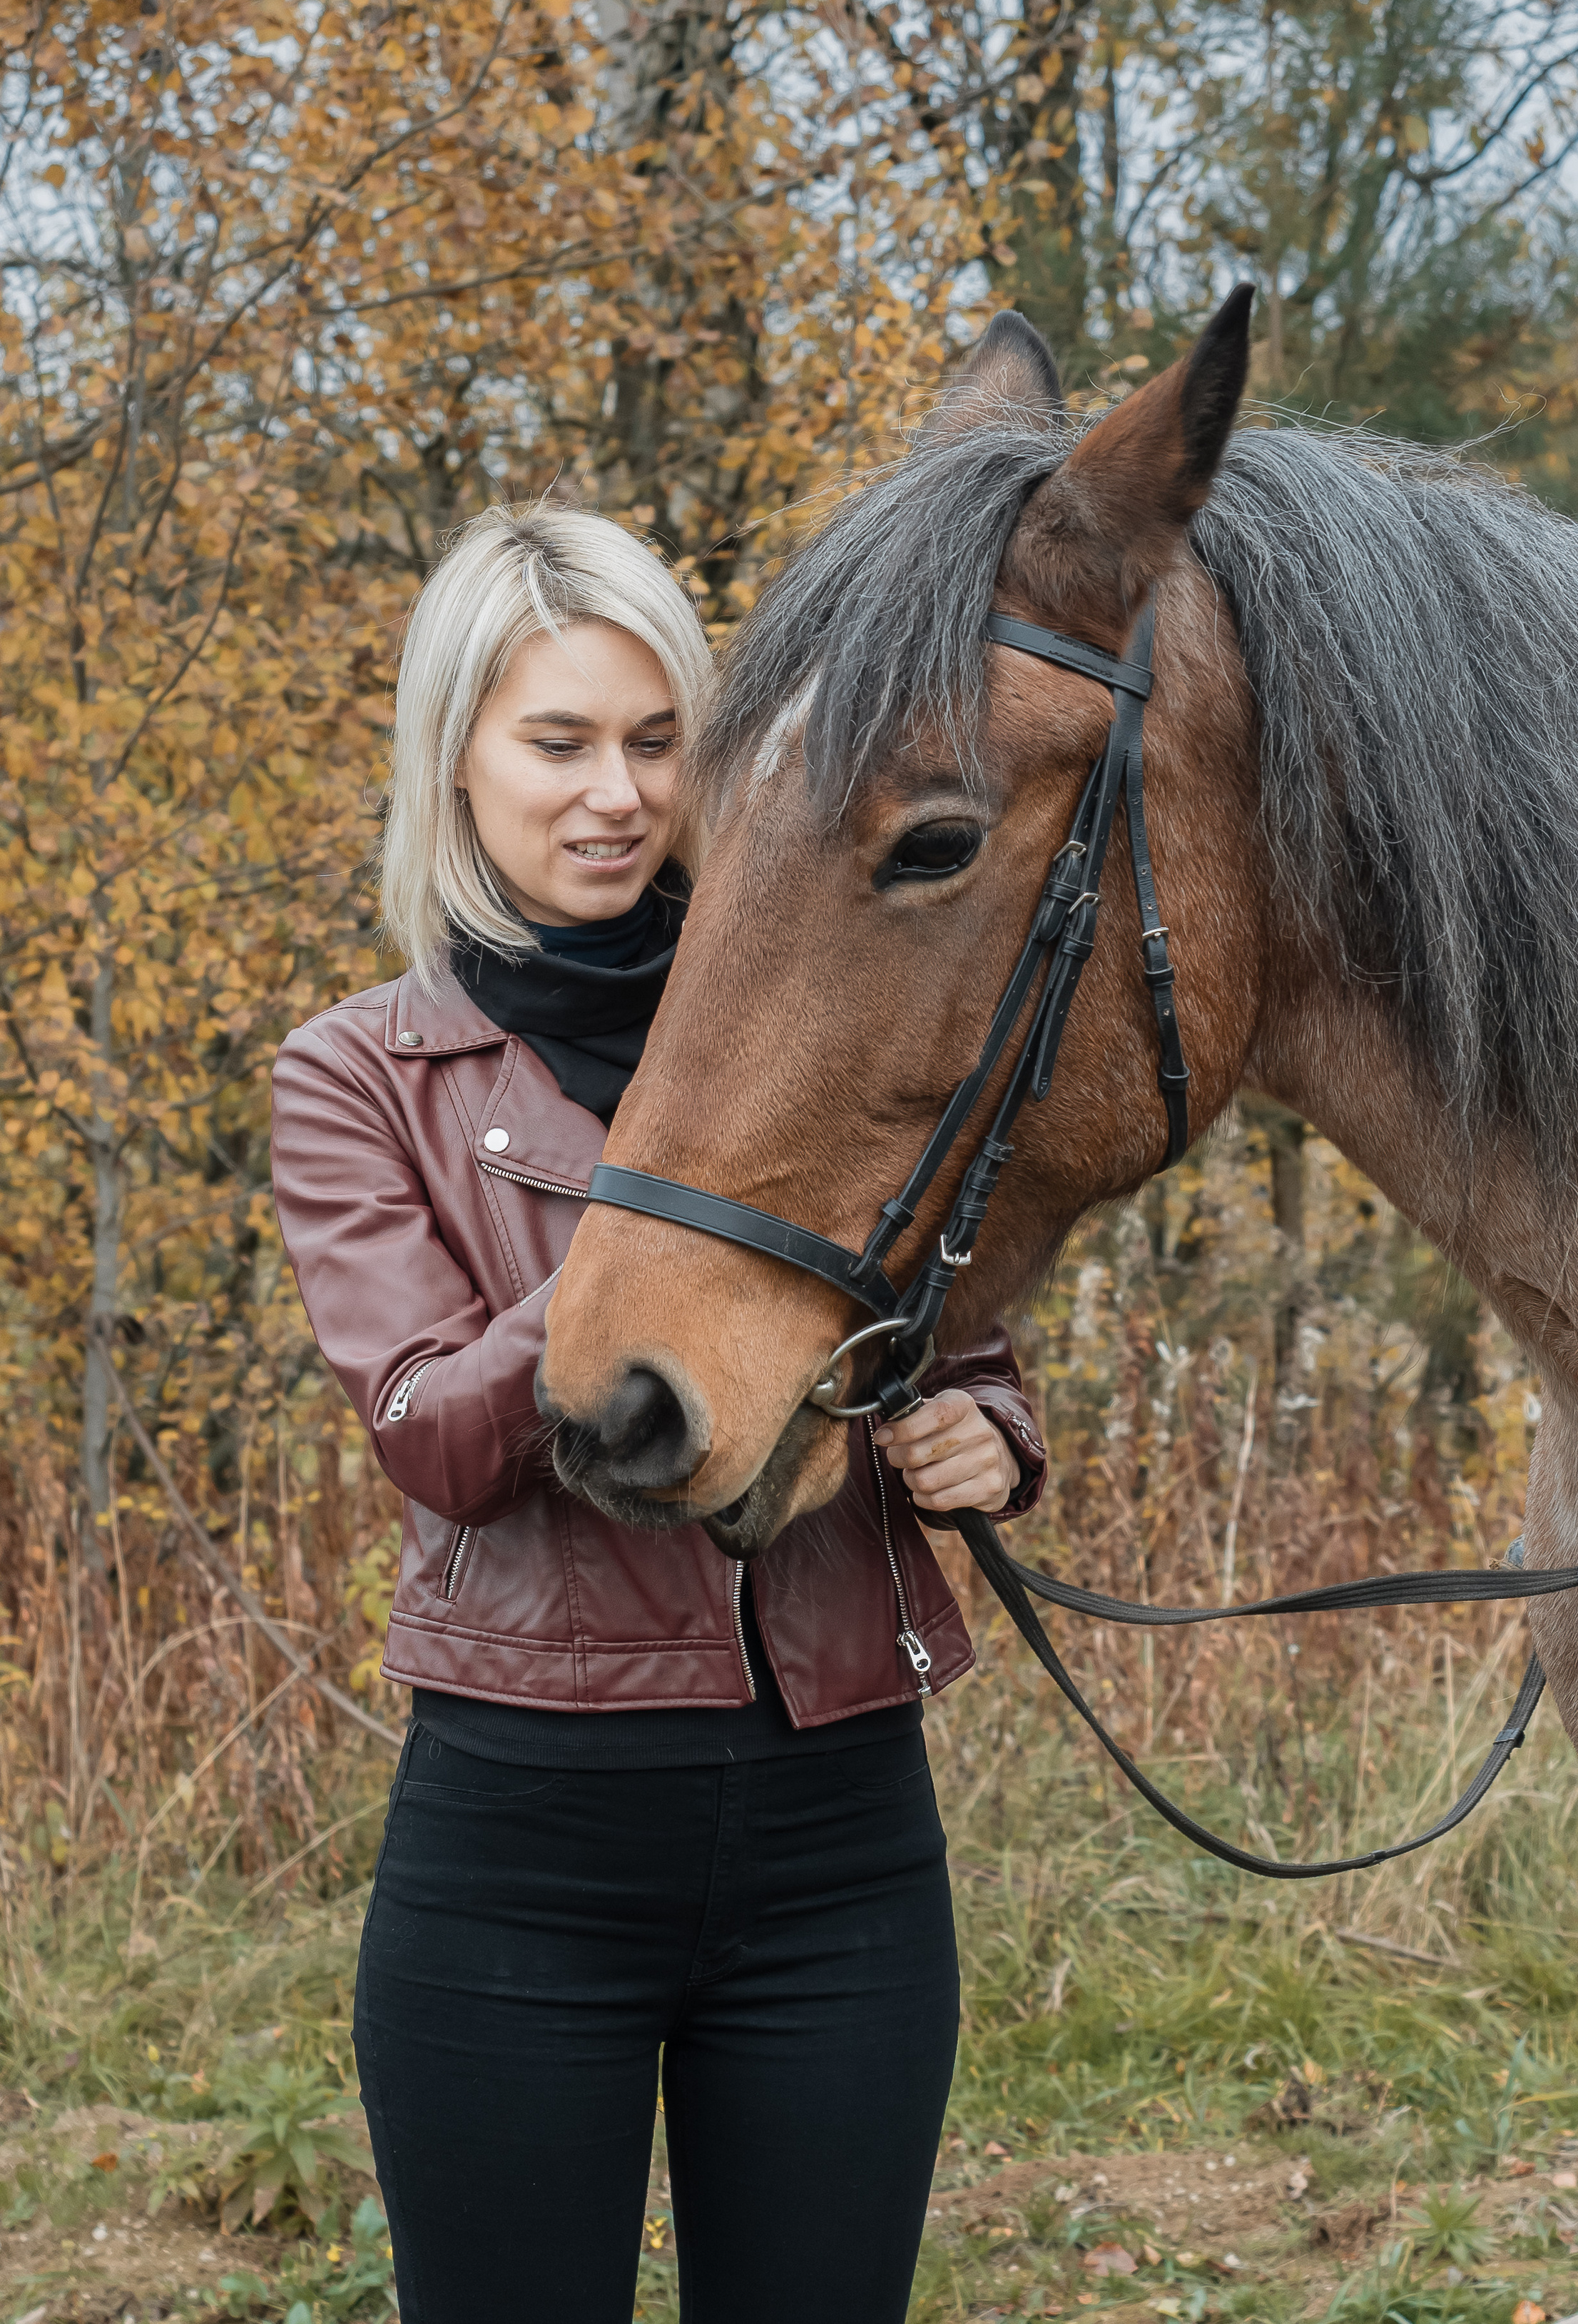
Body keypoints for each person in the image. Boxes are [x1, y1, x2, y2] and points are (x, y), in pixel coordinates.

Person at [269, 502, 1049, 2324]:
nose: (612, 793)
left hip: (841, 1838)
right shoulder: (359, 1075)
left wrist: (988, 1429)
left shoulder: (822, 1014)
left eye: (652, 739)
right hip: (519, 1848)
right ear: (455, 761)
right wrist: (663, 1229)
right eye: (554, 741)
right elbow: (437, 1442)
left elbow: (945, 1305)